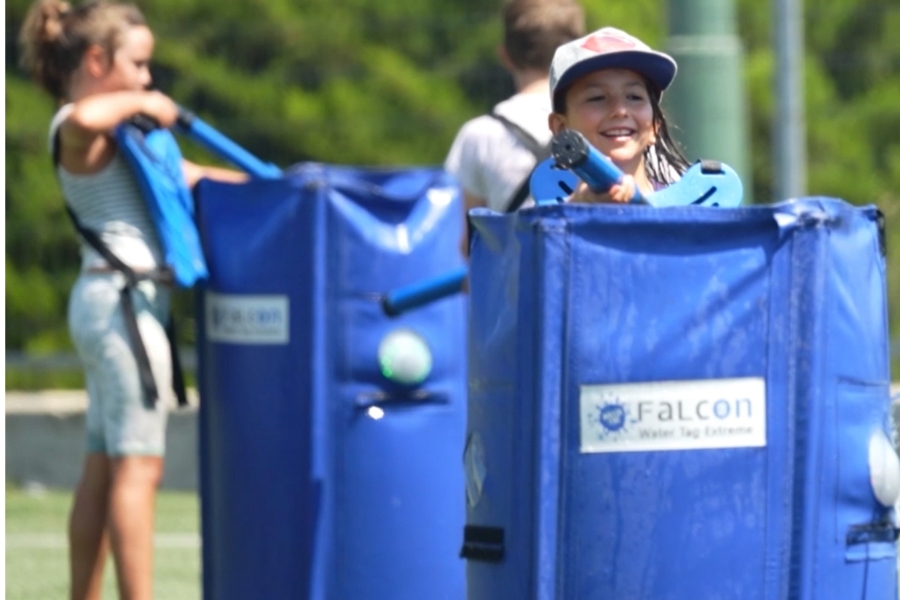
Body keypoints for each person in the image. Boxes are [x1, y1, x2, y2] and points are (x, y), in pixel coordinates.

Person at [18, 2, 245, 598]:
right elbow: (87, 114)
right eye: (139, 66)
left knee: (104, 466)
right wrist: (145, 104)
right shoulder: (80, 123)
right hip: (121, 309)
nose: (149, 80)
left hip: (112, 307)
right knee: (139, 468)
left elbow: (192, 177)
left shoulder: (128, 141)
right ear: (97, 60)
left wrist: (287, 186)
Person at [445, 0, 585, 245]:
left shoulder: (479, 135)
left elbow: (472, 243)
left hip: (515, 279)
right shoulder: (593, 122)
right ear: (577, 55)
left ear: (505, 55)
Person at [547, 26, 691, 203]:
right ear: (561, 128)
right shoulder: (543, 222)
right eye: (597, 98)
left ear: (655, 125)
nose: (620, 111)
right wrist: (577, 211)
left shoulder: (693, 214)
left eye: (634, 96)